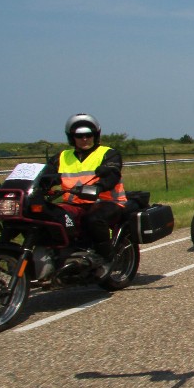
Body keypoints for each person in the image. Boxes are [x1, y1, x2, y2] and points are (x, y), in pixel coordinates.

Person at [40, 113, 127, 280]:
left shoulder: (108, 153)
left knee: (93, 219)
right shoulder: (62, 157)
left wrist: (99, 186)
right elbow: (46, 176)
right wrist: (39, 186)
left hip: (107, 202)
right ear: (72, 137)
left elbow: (112, 174)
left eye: (89, 135)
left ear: (96, 135)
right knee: (47, 217)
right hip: (73, 204)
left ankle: (106, 259)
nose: (84, 139)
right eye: (79, 136)